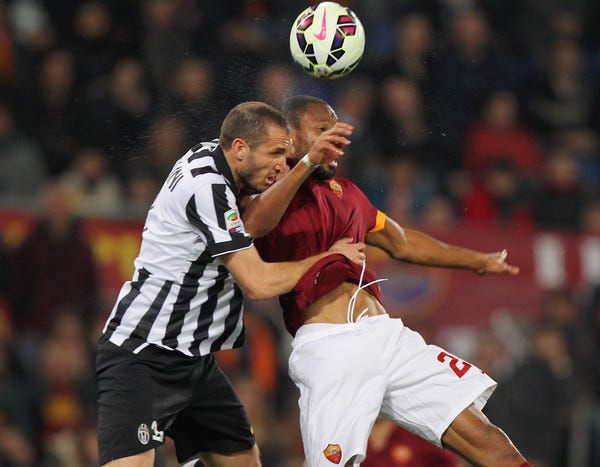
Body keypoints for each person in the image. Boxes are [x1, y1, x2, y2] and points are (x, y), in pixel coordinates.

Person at [243, 96, 533, 467]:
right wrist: (309, 161)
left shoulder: (348, 194)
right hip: (331, 346)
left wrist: (476, 261)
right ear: (291, 137)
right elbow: (252, 224)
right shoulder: (270, 189)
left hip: (387, 335)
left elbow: (400, 241)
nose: (336, 141)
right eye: (322, 131)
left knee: (480, 432)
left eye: (337, 132)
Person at [95, 101, 365, 467]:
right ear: (240, 148)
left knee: (245, 461)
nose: (281, 166)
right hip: (143, 355)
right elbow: (257, 282)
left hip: (195, 362)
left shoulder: (218, 159)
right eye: (275, 154)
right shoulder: (206, 188)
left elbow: (252, 223)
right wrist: (329, 258)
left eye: (286, 156)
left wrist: (306, 163)